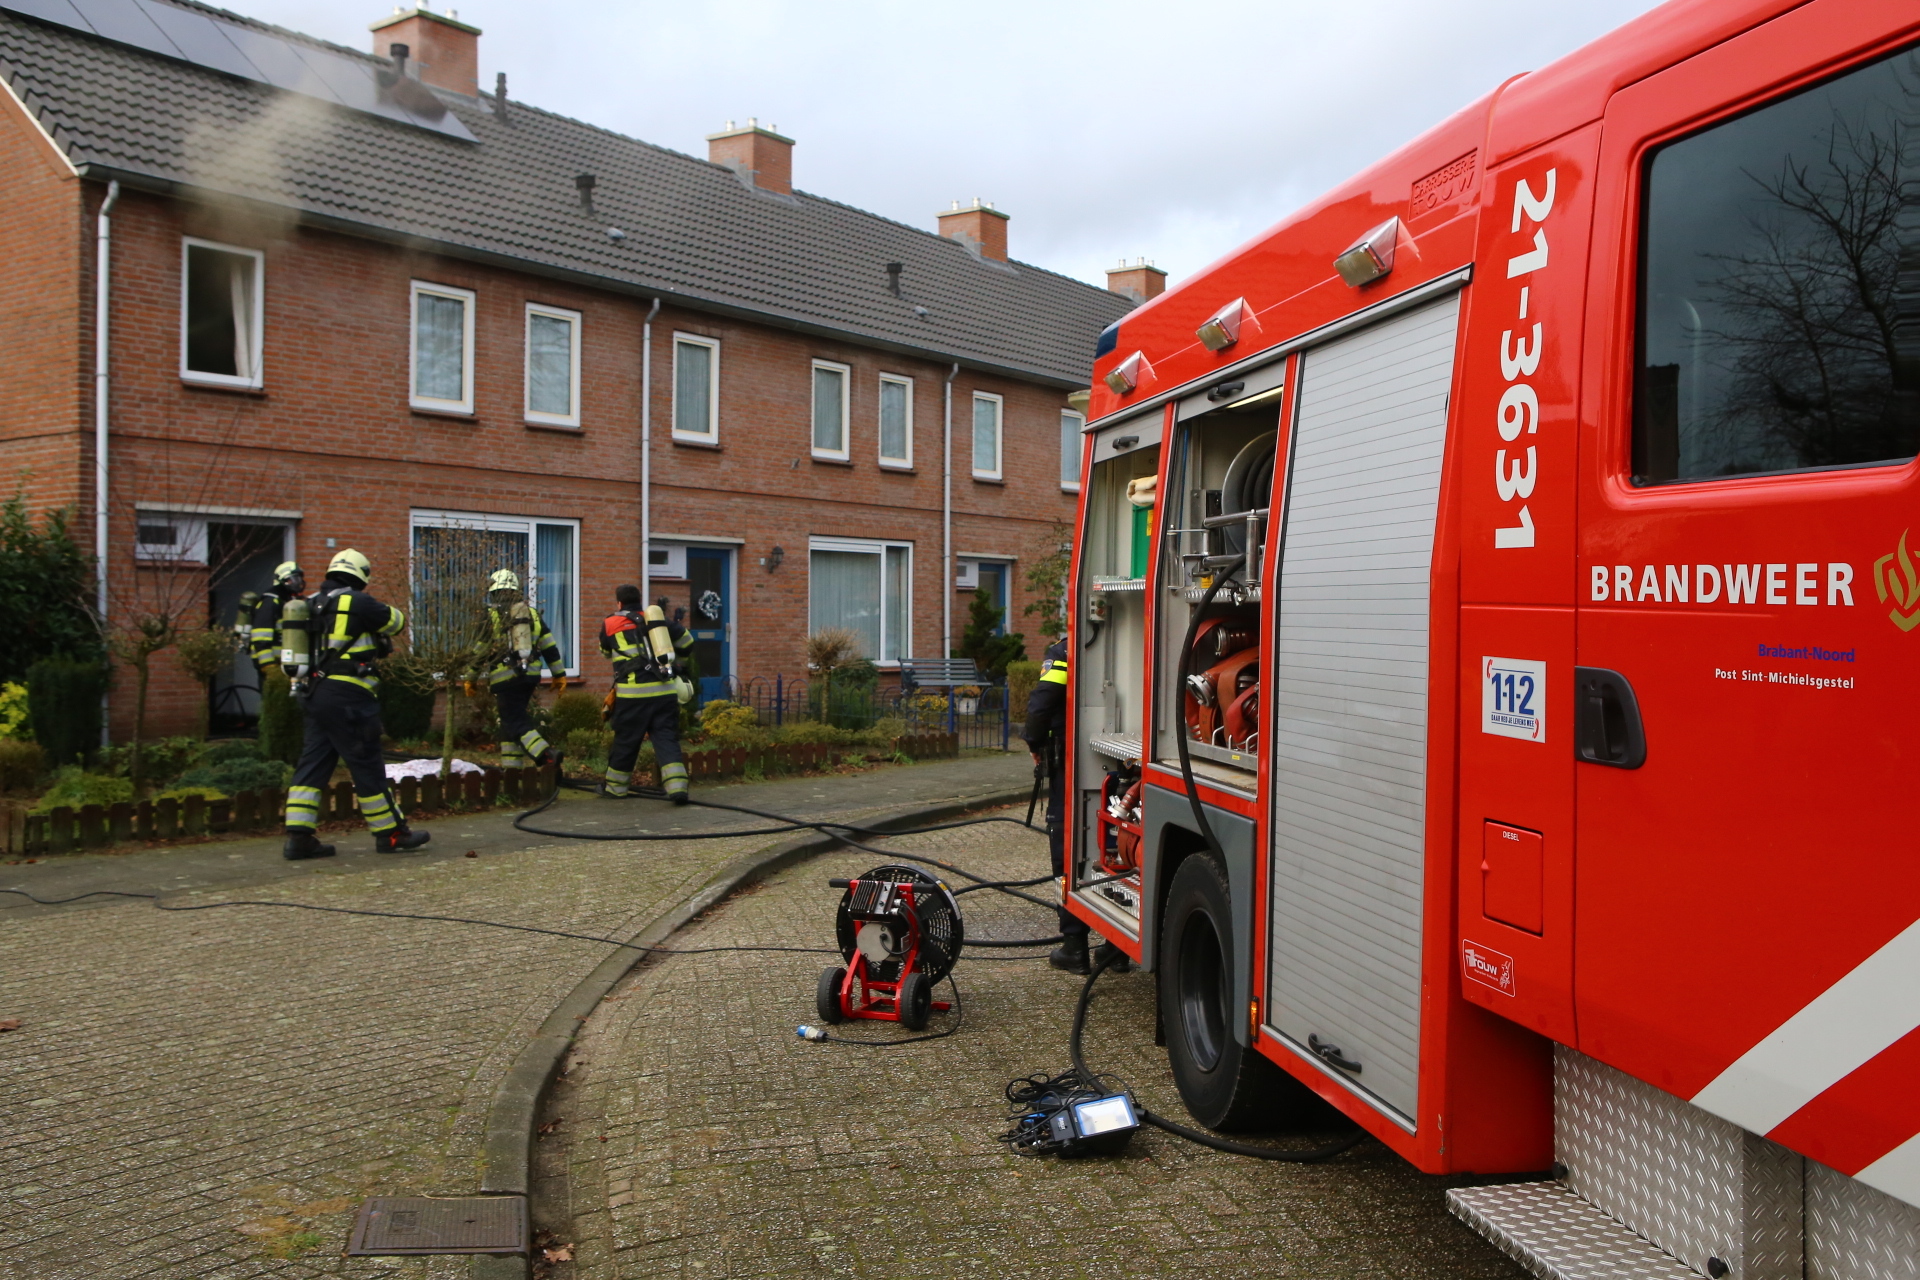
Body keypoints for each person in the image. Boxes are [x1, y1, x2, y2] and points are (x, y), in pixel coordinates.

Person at [281, 548, 429, 859]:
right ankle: (391, 834)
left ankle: (299, 838)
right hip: (349, 697)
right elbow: (397, 622)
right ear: (362, 576)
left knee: (312, 765)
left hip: (314, 694)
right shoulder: (359, 602)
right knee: (367, 766)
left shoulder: (307, 604)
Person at [599, 584, 694, 802]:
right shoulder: (657, 621)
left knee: (627, 740)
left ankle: (615, 788)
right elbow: (688, 642)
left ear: (619, 603)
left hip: (632, 695)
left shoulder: (610, 623)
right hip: (665, 692)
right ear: (640, 601)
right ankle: (678, 788)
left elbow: (604, 652)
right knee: (666, 738)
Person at [482, 569, 568, 779]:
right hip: (530, 676)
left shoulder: (490, 616)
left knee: (514, 722)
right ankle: (511, 771)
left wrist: (470, 677)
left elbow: (480, 649)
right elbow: (550, 647)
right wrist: (559, 674)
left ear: (494, 592)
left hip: (505, 678)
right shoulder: (533, 615)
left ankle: (546, 755)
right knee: (511, 720)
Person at [242, 561, 305, 672]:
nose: (298, 583)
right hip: (271, 664)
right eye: (293, 579)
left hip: (285, 663)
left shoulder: (286, 602)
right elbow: (261, 638)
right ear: (283, 581)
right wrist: (269, 666)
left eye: (299, 578)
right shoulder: (270, 603)